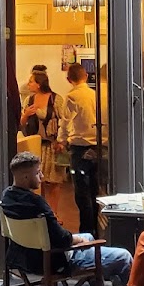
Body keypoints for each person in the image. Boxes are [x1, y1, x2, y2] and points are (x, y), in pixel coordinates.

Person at [1, 152, 131, 286]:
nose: (42, 176)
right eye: (38, 173)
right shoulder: (37, 203)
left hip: (22, 257)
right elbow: (62, 239)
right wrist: (76, 239)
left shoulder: (7, 197)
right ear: (26, 177)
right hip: (53, 261)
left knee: (88, 236)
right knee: (123, 256)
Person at [55, 64, 101, 235]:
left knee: (82, 193)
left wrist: (61, 140)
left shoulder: (72, 96)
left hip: (79, 148)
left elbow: (65, 121)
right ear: (87, 77)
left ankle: (86, 230)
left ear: (69, 80)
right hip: (98, 147)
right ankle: (97, 229)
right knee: (95, 190)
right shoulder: (95, 95)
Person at [20, 66, 65, 184]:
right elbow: (22, 123)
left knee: (53, 182)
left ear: (38, 84)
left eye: (31, 82)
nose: (28, 84)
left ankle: (52, 203)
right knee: (35, 182)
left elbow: (64, 121)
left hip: (52, 146)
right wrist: (26, 114)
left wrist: (61, 141)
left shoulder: (56, 99)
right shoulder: (28, 100)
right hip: (34, 145)